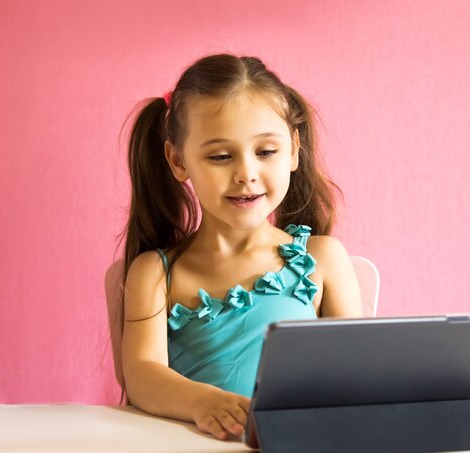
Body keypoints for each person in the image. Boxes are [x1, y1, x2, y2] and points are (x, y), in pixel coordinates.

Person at [118, 53, 363, 441]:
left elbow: (358, 373)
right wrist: (202, 402)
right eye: (220, 156)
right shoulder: (155, 273)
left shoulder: (324, 260)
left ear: (294, 150)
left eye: (266, 152)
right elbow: (141, 373)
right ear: (178, 161)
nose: (246, 173)